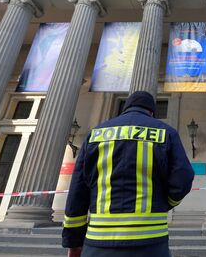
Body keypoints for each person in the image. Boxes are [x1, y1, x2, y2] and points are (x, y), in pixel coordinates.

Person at [62, 91, 195, 257]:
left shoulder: (95, 134)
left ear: (125, 108)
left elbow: (77, 192)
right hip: (150, 239)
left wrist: (73, 242)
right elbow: (183, 177)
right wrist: (165, 203)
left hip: (99, 240)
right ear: (151, 112)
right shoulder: (166, 133)